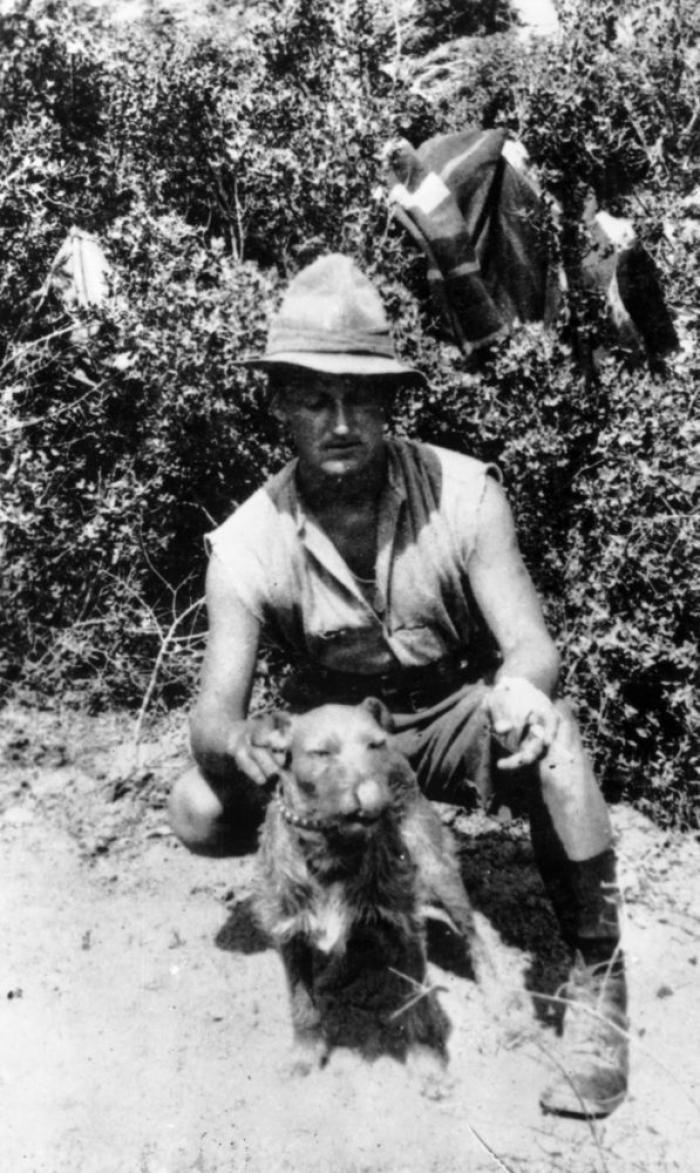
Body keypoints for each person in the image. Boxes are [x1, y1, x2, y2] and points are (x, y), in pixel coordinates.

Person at [169, 254, 628, 1119]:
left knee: (558, 737)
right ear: (278, 406)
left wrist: (521, 691)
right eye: (313, 398)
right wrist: (237, 742)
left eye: (362, 398)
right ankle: (344, 887)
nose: (340, 422)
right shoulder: (246, 544)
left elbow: (531, 643)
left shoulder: (463, 492)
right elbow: (213, 710)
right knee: (196, 804)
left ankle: (599, 983)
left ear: (390, 403)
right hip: (337, 743)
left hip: (456, 712)